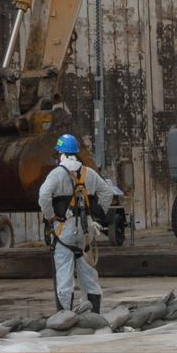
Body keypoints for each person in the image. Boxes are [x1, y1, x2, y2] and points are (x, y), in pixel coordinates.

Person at [38, 133, 117, 314]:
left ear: (60, 153)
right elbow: (107, 193)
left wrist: (51, 216)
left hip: (63, 229)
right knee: (88, 274)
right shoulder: (89, 173)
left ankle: (65, 316)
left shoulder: (56, 174)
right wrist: (97, 216)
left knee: (64, 275)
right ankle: (94, 314)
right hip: (86, 230)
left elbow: (43, 196)